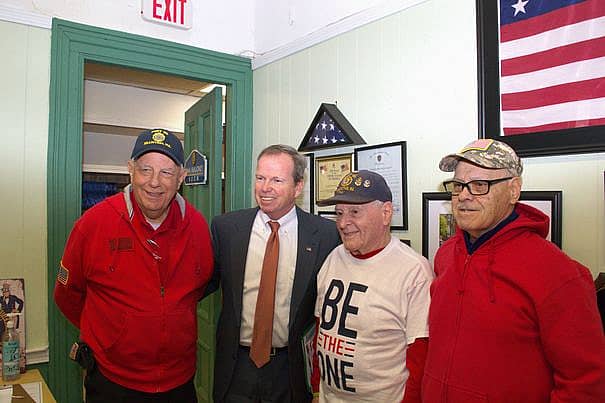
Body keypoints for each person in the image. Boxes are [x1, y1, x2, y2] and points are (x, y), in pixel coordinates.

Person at [423, 139, 605, 402]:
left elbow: (585, 384)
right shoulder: (446, 255)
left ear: (513, 190)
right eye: (458, 185)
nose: (463, 195)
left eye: (479, 185)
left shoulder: (559, 273)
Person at [54, 128, 214, 403]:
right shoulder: (93, 225)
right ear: (130, 170)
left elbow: (199, 287)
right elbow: (67, 296)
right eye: (145, 170)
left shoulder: (197, 227)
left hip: (179, 382)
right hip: (112, 381)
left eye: (166, 172)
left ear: (181, 179)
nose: (154, 182)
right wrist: (114, 335)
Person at [206, 144, 341, 402]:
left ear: (298, 187)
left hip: (290, 370)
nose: (265, 187)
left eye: (277, 180)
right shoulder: (226, 228)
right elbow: (201, 283)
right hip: (236, 366)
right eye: (260, 178)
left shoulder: (325, 235)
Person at [314, 170, 433, 402]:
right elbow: (320, 330)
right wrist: (317, 389)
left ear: (386, 213)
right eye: (338, 213)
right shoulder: (334, 257)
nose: (343, 223)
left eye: (354, 212)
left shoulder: (414, 271)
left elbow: (420, 357)